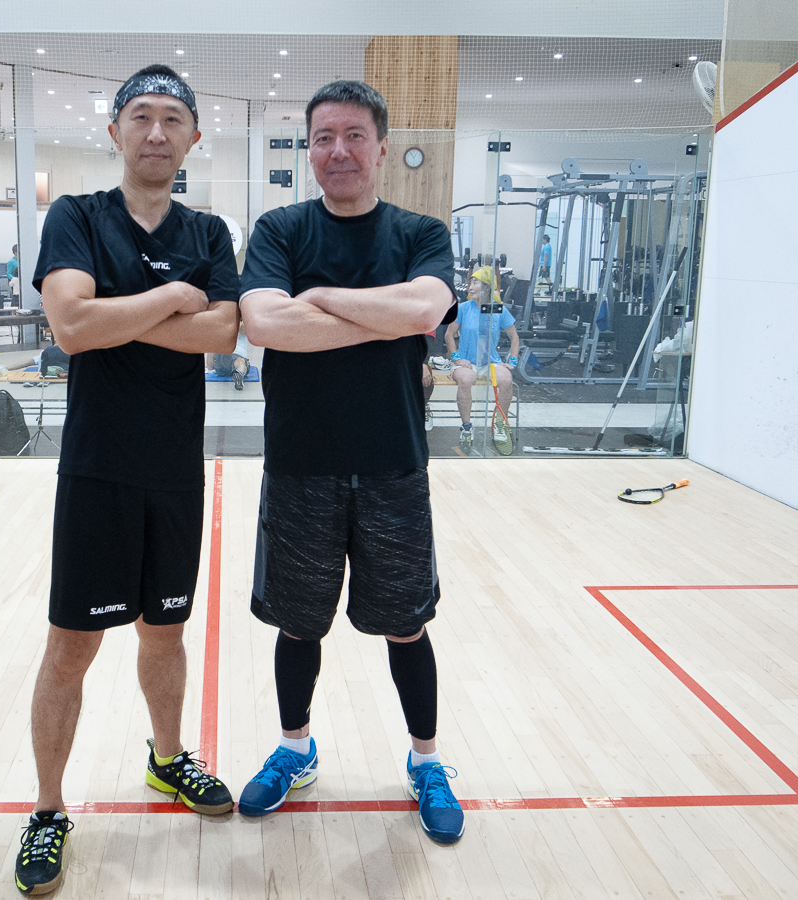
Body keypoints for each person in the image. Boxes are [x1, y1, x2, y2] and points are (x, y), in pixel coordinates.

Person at [16, 64, 240, 896]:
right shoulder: (76, 217)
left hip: (174, 473)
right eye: (140, 116)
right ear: (114, 132)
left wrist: (122, 311)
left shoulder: (209, 232)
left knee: (165, 633)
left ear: (192, 137)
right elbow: (71, 325)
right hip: (97, 470)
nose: (155, 131)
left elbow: (222, 335)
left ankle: (168, 759)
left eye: (172, 118)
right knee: (71, 647)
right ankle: (48, 809)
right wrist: (175, 296)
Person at [236, 80, 463, 844]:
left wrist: (320, 297)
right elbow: (264, 323)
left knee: (407, 627)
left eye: (354, 135)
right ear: (309, 149)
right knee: (298, 626)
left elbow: (427, 309)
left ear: (382, 146)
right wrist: (385, 316)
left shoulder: (421, 231)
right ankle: (295, 750)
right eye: (324, 137)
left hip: (393, 466)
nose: (339, 150)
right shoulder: (279, 229)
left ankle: (426, 762)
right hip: (300, 466)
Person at [445, 265, 519, 451]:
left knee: (506, 380)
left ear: (486, 287)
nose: (470, 287)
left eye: (475, 283)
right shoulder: (463, 308)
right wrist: (456, 358)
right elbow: (449, 334)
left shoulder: (498, 310)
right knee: (466, 379)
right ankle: (467, 427)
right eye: (470, 282)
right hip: (467, 362)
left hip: (490, 362)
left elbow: (514, 337)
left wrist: (513, 361)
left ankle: (500, 424)